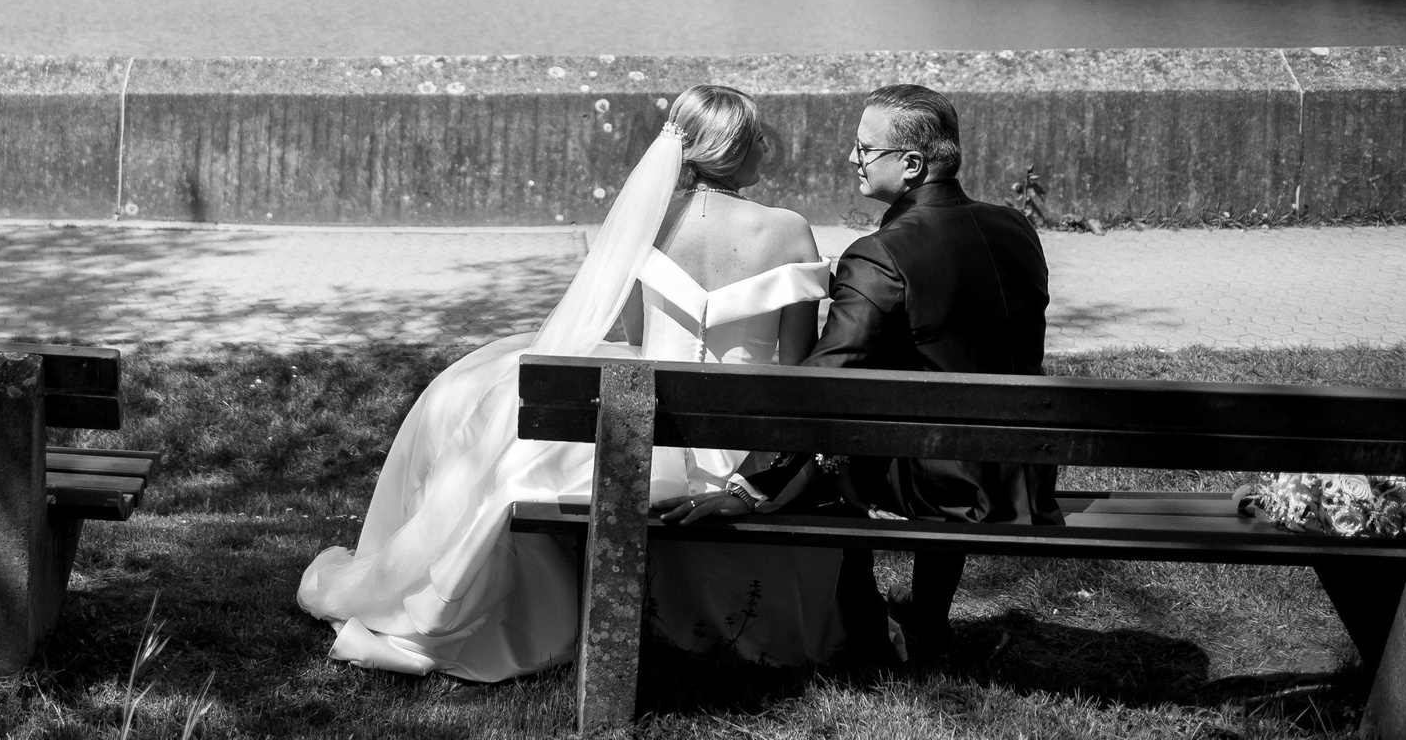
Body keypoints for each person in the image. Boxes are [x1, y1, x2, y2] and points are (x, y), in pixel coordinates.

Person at [295, 84, 847, 679]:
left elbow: (635, 337)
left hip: (650, 437)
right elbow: (797, 365)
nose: (766, 147)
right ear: (737, 148)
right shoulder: (788, 228)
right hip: (740, 458)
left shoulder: (652, 220)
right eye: (758, 136)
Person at [735, 81, 1057, 663]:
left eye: (865, 150)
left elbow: (826, 380)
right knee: (936, 424)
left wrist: (754, 479)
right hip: (1023, 475)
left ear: (912, 164)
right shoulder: (1016, 228)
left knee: (835, 449)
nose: (851, 159)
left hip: (943, 483)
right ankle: (928, 617)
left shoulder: (879, 254)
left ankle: (861, 620)